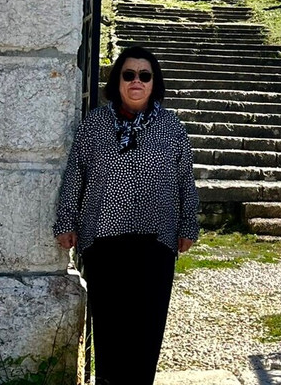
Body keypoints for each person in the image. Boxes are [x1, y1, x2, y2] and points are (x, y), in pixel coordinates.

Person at [54, 45, 199, 385]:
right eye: (129, 74)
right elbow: (76, 173)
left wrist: (188, 224)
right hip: (104, 239)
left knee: (147, 328)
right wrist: (66, 221)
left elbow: (184, 180)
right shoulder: (96, 124)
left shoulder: (171, 127)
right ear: (118, 80)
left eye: (144, 76)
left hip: (156, 239)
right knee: (110, 326)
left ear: (154, 83)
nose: (136, 81)